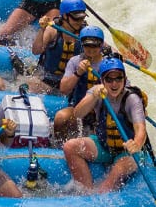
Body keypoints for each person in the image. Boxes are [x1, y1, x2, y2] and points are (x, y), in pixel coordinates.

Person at [63, 57, 148, 193]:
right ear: (102, 81)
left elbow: (141, 130)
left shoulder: (132, 99)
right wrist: (93, 97)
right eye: (109, 79)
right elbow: (78, 114)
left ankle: (101, 197)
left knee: (113, 176)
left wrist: (136, 144)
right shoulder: (96, 92)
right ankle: (86, 192)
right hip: (104, 146)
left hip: (126, 152)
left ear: (124, 80)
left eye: (118, 79)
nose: (114, 84)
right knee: (70, 147)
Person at [51, 25, 108, 139]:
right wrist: (78, 73)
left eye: (95, 45)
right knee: (60, 118)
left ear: (101, 45)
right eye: (87, 45)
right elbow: (63, 89)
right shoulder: (75, 61)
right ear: (82, 45)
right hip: (79, 108)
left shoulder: (109, 64)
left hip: (102, 114)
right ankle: (58, 147)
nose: (91, 49)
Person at [29, 0, 88, 93]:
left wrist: (119, 54)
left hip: (70, 79)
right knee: (33, 83)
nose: (80, 22)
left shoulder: (85, 32)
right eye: (76, 19)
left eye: (82, 18)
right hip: (47, 77)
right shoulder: (52, 29)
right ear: (65, 16)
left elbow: (102, 45)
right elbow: (36, 51)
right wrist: (42, 30)